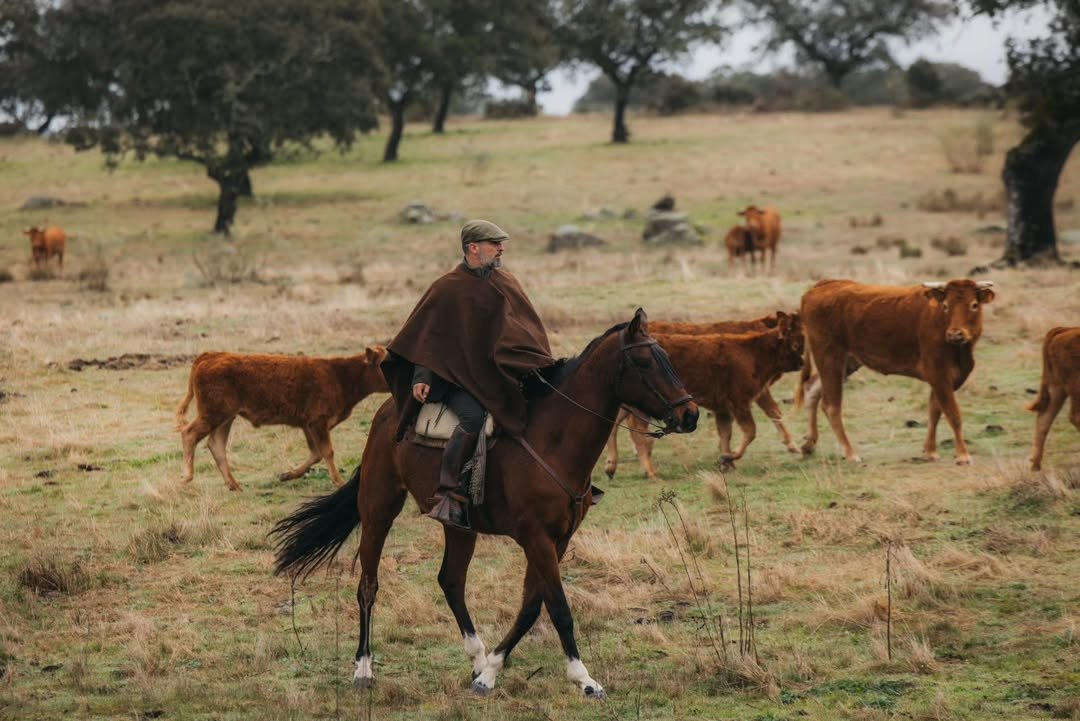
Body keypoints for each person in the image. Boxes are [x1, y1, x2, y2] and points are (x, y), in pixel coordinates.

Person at [382, 220, 555, 530]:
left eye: (501, 243)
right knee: (473, 418)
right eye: (494, 243)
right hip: (455, 377)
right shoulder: (446, 288)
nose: (501, 248)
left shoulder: (506, 282)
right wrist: (422, 376)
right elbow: (427, 336)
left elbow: (523, 328)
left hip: (496, 374)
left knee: (539, 407)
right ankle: (449, 494)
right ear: (473, 248)